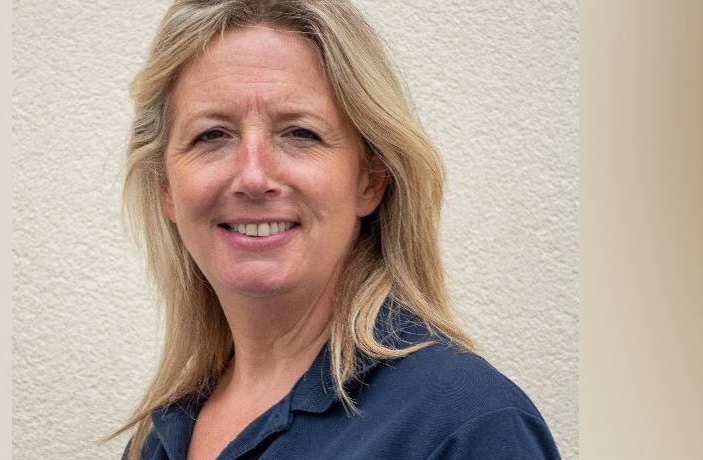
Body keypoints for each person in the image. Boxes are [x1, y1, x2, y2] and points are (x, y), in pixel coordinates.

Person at [109, 1, 561, 459]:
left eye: (300, 133)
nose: (252, 176)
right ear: (164, 185)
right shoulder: (158, 436)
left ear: (370, 179)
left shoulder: (466, 426)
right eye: (212, 135)